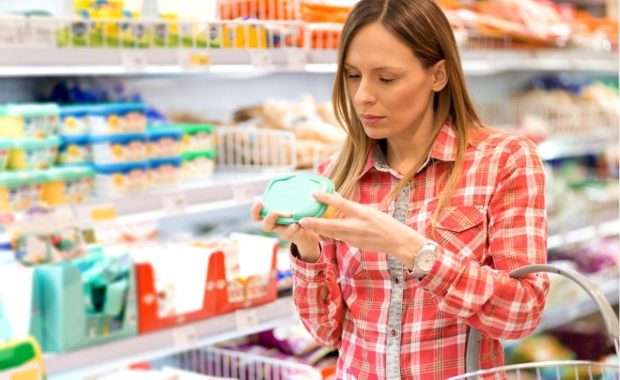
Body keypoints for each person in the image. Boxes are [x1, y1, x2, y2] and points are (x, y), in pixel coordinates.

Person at [251, 0, 549, 378]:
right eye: (352, 75)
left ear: (438, 75)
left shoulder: (503, 161)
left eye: (386, 78)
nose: (362, 96)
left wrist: (411, 248)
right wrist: (306, 251)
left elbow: (522, 313)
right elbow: (325, 332)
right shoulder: (336, 175)